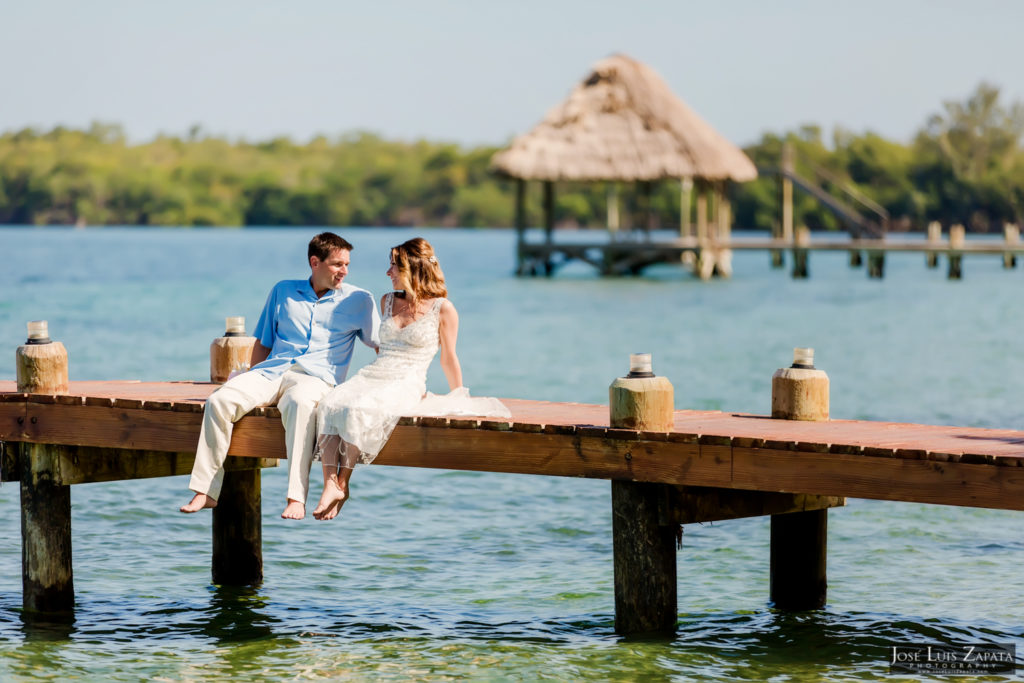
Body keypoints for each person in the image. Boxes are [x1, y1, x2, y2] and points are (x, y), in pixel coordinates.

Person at [180, 232, 380, 519]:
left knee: (299, 404)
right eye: (337, 264)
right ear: (315, 262)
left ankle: (295, 497)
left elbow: (380, 345)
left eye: (347, 264)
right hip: (271, 371)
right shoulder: (283, 291)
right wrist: (252, 380)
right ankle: (205, 491)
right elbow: (264, 342)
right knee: (219, 401)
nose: (344, 271)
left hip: (316, 379)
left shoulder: (360, 300)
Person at [312, 237, 510, 521]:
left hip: (407, 379)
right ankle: (330, 483)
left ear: (412, 268)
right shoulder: (387, 301)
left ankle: (342, 483)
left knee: (358, 409)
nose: (388, 272)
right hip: (375, 372)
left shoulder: (443, 309)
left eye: (393, 265)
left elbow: (448, 357)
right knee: (330, 404)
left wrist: (458, 394)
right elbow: (380, 345)